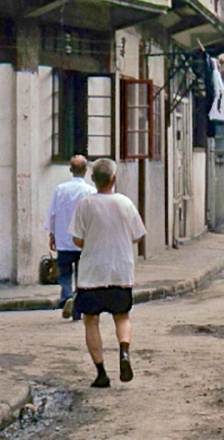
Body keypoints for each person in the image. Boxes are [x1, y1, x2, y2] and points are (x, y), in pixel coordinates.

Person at [67, 159, 146, 388]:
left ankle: (101, 373)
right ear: (114, 179)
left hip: (92, 273)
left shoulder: (85, 204)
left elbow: (77, 239)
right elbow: (138, 234)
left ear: (93, 179)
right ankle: (123, 351)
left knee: (91, 321)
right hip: (120, 271)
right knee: (122, 316)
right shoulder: (125, 203)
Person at [45, 155, 95, 320]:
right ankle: (76, 304)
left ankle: (66, 296)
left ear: (70, 170)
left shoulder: (60, 189)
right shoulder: (90, 191)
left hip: (64, 240)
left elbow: (52, 213)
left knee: (64, 273)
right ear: (85, 171)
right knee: (82, 276)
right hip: (83, 241)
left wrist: (52, 234)